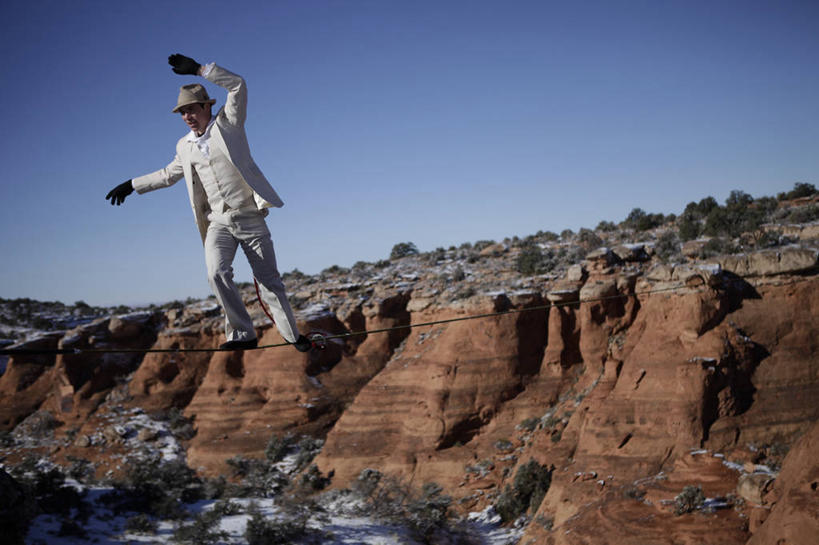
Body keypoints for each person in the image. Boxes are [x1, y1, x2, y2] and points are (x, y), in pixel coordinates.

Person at [106, 53, 310, 352]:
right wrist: (132, 185)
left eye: (191, 109)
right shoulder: (184, 146)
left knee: (269, 282)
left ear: (206, 107)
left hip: (248, 216)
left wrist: (201, 70)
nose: (187, 116)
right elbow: (168, 175)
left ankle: (292, 336)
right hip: (218, 221)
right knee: (216, 273)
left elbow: (238, 85)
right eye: (182, 112)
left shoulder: (229, 124)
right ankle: (243, 334)